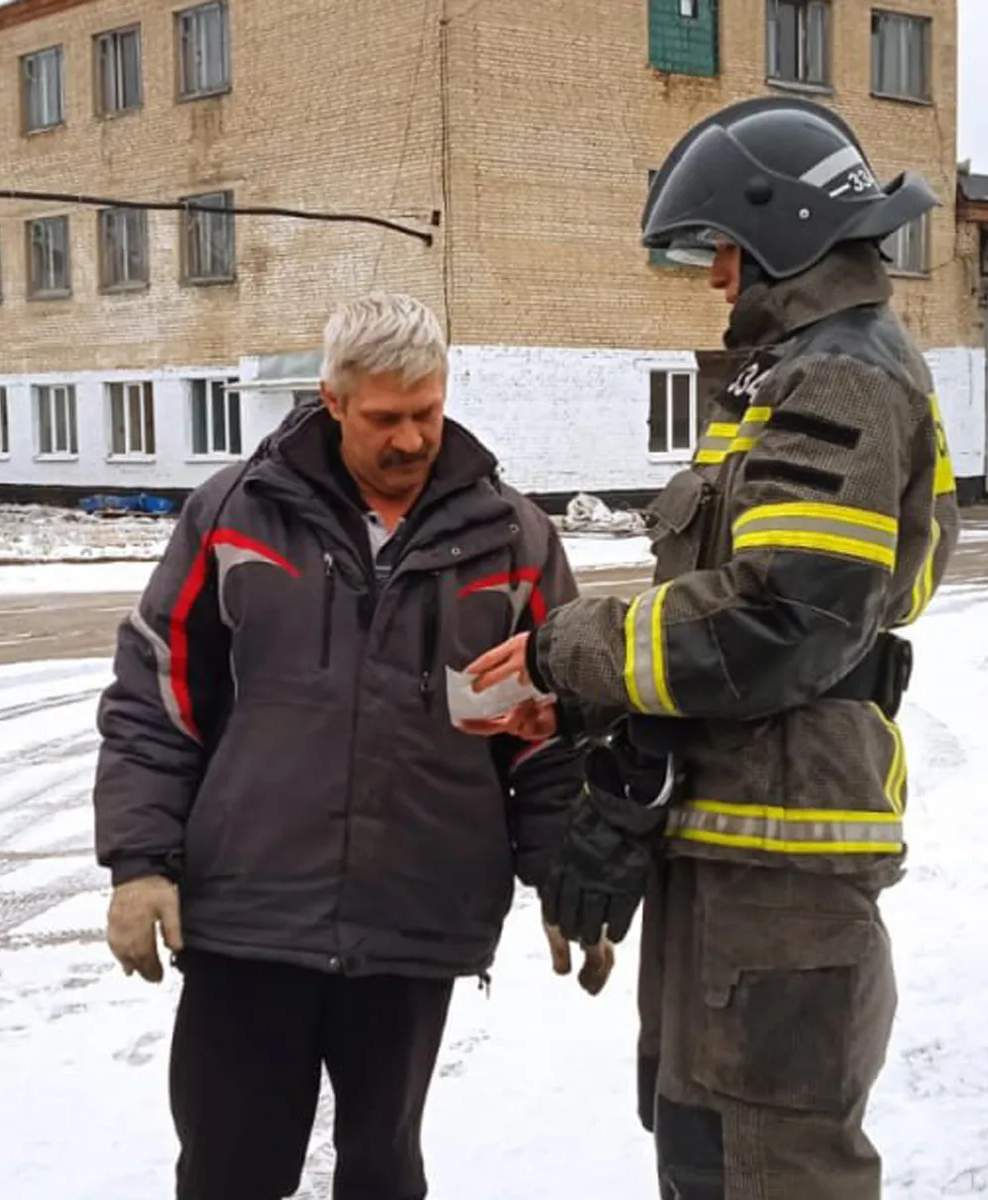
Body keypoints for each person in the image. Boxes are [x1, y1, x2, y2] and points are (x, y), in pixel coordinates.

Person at [465, 96, 961, 1199]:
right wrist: (597, 717)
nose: (712, 276)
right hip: (743, 851)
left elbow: (782, 621)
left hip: (779, 872)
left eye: (722, 248)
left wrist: (568, 652)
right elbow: (732, 613)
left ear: (780, 232)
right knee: (704, 1149)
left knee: (765, 1166)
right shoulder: (800, 373)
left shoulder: (834, 379)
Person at [91, 291, 609, 1200]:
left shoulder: (512, 536)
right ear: (331, 403)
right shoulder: (235, 516)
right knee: (227, 1170)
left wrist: (570, 874)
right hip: (251, 913)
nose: (411, 440)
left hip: (415, 911)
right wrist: (139, 862)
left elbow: (547, 733)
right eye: (384, 419)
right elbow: (156, 695)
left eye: (427, 413)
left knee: (381, 1172)